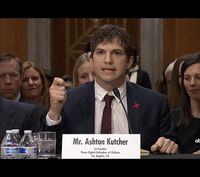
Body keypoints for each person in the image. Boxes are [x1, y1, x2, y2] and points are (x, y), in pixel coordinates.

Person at [46, 24, 179, 154]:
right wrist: (54, 112)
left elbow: (171, 147)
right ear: (91, 60)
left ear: (129, 61)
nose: (108, 60)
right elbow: (51, 150)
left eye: (116, 53)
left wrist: (168, 145)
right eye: (100, 52)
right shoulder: (70, 100)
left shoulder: (154, 103)